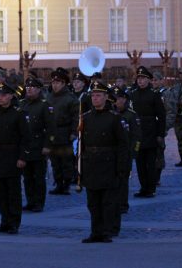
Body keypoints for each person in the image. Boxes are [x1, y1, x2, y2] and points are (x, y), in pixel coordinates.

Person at [79, 81, 129, 243]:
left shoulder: (114, 118)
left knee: (108, 201)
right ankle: (95, 231)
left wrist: (122, 167)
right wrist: (78, 164)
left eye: (98, 95)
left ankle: (107, 231)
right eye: (93, 96)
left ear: (106, 97)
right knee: (93, 202)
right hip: (91, 163)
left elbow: (122, 144)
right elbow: (81, 144)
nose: (95, 98)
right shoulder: (85, 117)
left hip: (108, 163)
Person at [0, 83, 30, 234]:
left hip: (13, 157)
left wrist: (22, 157)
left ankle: (14, 223)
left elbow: (26, 137)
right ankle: (4, 221)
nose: (1, 98)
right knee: (1, 193)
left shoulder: (18, 113)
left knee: (13, 193)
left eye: (4, 95)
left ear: (11, 96)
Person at [130, 66, 166, 198]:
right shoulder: (133, 94)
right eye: (139, 78)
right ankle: (143, 187)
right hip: (138, 133)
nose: (140, 81)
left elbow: (162, 116)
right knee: (139, 162)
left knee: (150, 162)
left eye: (143, 78)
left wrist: (160, 134)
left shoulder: (154, 95)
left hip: (151, 132)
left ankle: (151, 188)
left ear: (148, 80)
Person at [19, 77, 52, 213]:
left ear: (39, 89)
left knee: (39, 177)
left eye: (32, 87)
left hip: (39, 146)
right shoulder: (22, 104)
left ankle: (39, 202)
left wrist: (47, 145)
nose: (29, 89)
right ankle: (30, 201)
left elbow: (50, 127)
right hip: (26, 147)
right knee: (27, 177)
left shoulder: (44, 105)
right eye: (27, 88)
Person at [46, 68, 79, 195]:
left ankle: (66, 184)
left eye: (58, 83)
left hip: (65, 132)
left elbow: (76, 117)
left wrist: (73, 132)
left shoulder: (70, 98)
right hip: (52, 133)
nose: (55, 85)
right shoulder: (48, 97)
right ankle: (58, 183)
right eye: (53, 83)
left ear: (64, 83)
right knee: (54, 161)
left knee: (66, 160)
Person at [111, 86, 141, 219]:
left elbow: (137, 136)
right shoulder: (110, 114)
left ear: (124, 99)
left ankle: (123, 205)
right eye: (114, 99)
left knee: (123, 181)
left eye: (119, 98)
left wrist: (134, 152)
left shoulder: (131, 115)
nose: (116, 101)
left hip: (125, 153)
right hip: (111, 153)